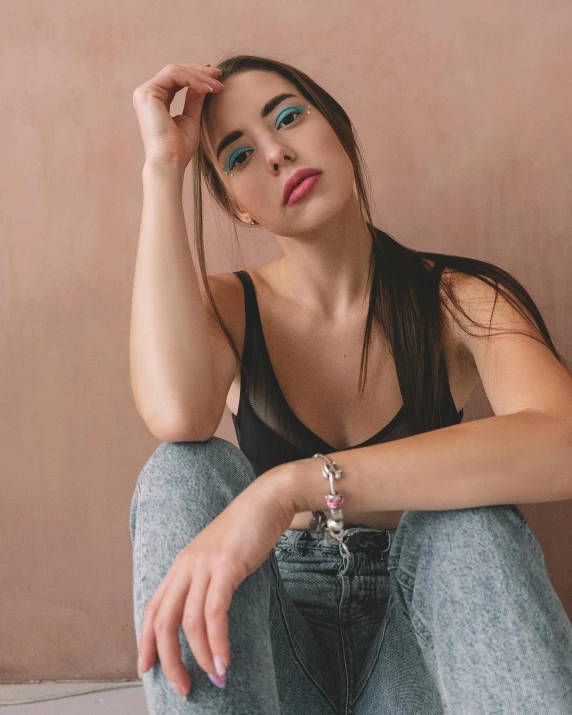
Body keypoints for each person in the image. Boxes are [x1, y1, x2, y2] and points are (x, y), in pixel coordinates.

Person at [129, 54, 572, 713]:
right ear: (238, 208)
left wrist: (291, 487)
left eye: (289, 117)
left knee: (469, 521)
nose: (277, 152)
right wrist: (165, 170)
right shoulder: (224, 310)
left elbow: (561, 443)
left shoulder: (463, 298)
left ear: (337, 129)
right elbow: (176, 412)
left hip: (421, 642)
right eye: (239, 156)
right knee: (180, 470)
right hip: (270, 658)